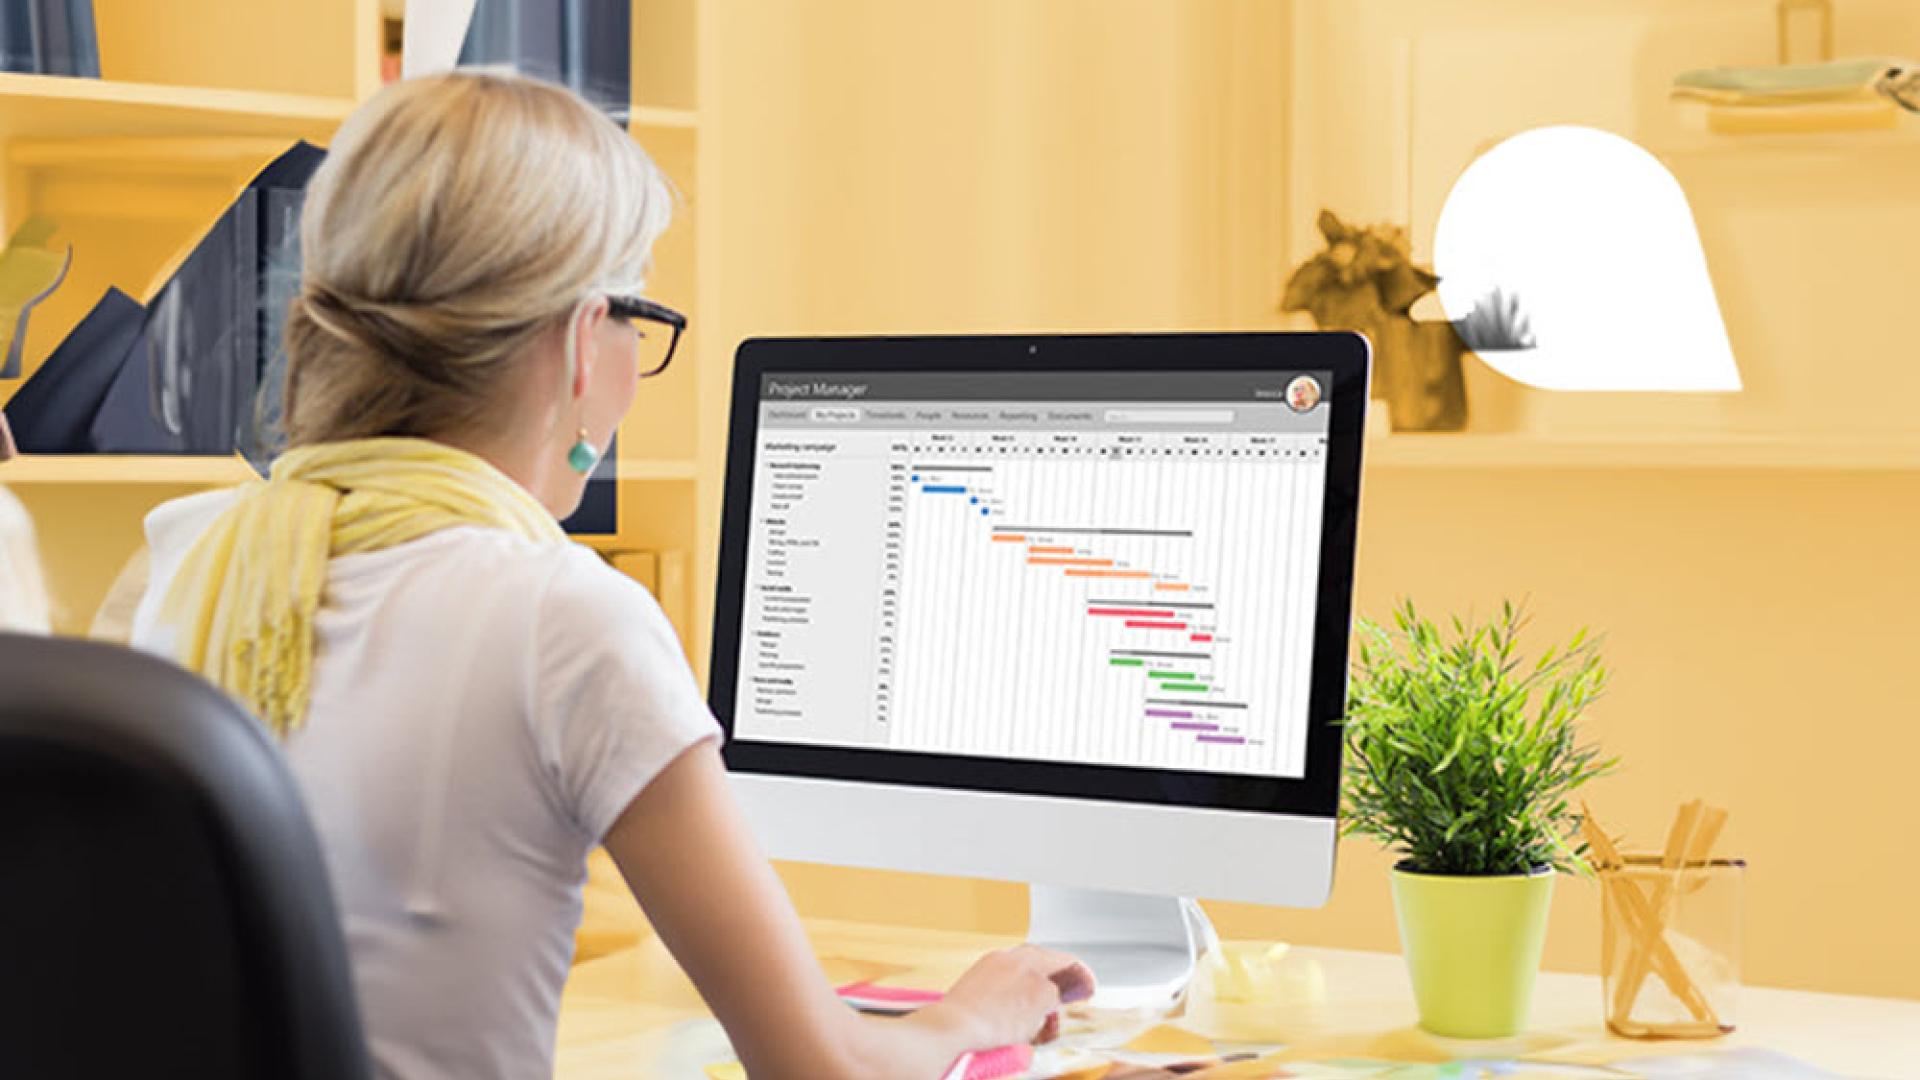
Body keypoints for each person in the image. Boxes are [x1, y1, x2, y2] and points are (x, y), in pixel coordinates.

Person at [129, 72, 1089, 1080]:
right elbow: (821, 1068)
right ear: (587, 337)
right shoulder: (563, 617)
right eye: (642, 312)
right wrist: (974, 1013)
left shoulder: (191, 557)